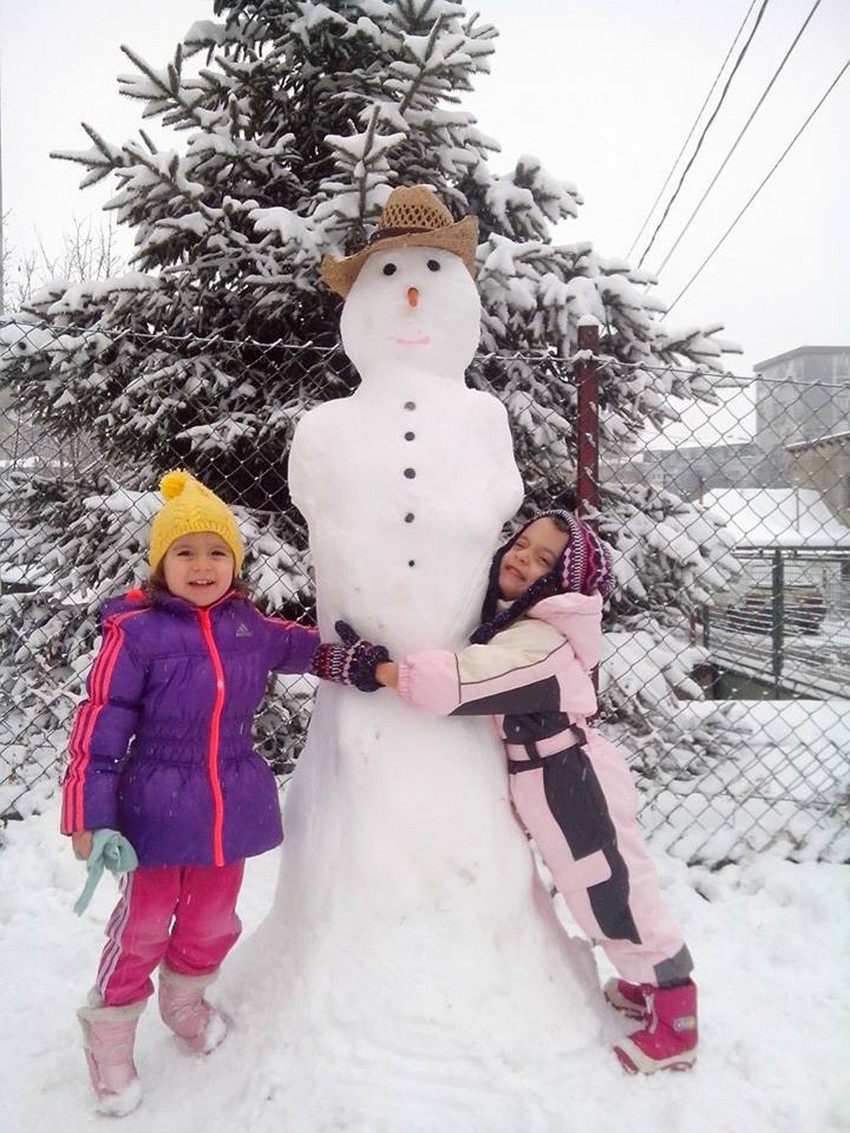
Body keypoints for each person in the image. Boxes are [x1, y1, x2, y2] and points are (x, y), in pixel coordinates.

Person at [315, 509, 698, 1075]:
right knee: (586, 888)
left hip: (572, 776)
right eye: (522, 544)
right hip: (546, 775)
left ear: (562, 584)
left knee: (612, 886)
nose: (522, 558)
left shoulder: (543, 640)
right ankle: (643, 979)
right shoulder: (519, 624)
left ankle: (676, 1011)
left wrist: (379, 671)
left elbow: (458, 683)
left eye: (544, 560)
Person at [61, 469, 384, 1115]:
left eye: (217, 551)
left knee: (213, 918)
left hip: (228, 801)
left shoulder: (248, 627)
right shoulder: (137, 633)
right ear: (161, 564)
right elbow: (99, 724)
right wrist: (89, 815)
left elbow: (303, 648)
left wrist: (351, 660)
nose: (202, 564)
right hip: (151, 806)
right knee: (143, 924)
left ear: (234, 563)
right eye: (185, 551)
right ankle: (111, 1030)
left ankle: (183, 999)